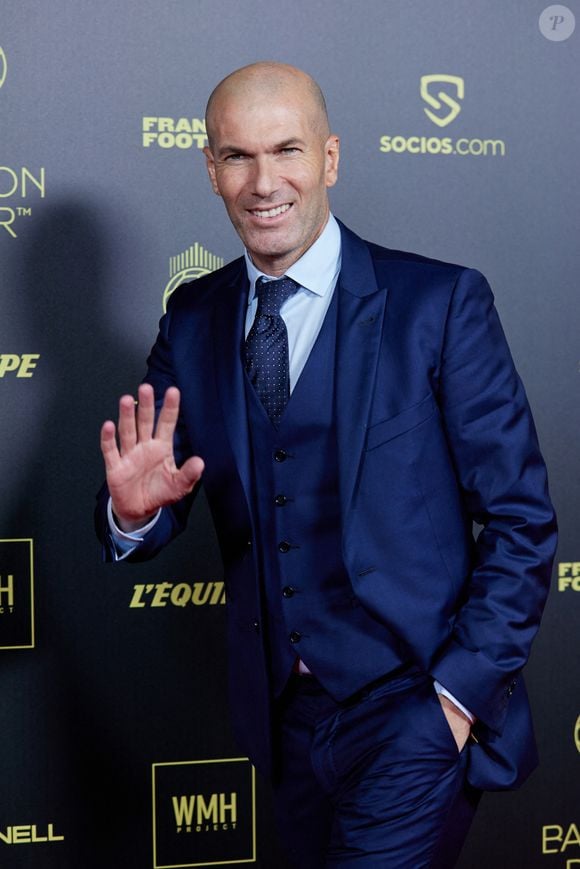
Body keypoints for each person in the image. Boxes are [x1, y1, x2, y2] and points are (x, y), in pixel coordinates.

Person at [95, 62, 557, 868]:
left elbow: (522, 519)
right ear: (210, 168)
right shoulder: (193, 318)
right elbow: (165, 488)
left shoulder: (438, 304)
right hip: (285, 722)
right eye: (237, 156)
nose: (263, 182)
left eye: (287, 150)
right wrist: (135, 514)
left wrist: (453, 700)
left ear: (330, 158)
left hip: (412, 706)